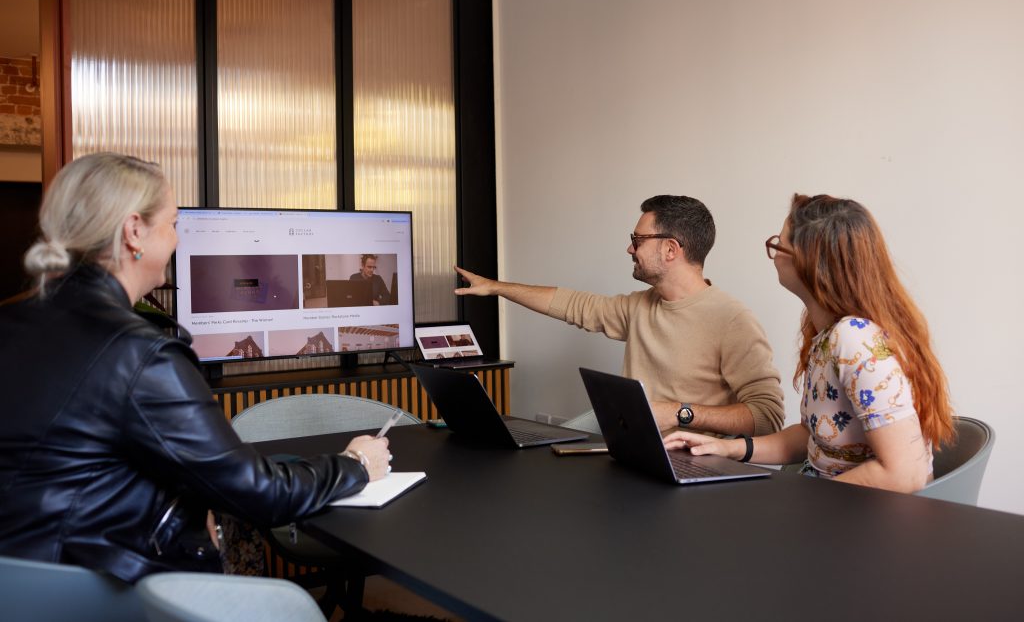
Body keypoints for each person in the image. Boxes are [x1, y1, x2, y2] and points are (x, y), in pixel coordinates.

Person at [0, 153, 391, 582]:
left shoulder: (14, 322)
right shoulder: (139, 351)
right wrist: (354, 464)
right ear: (134, 231)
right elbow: (260, 493)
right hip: (100, 593)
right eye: (173, 224)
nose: (177, 240)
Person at [665, 194, 955, 493]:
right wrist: (728, 449)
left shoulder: (855, 340)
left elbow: (903, 475)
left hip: (867, 519)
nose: (775, 254)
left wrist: (804, 507)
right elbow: (811, 436)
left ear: (809, 262)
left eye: (780, 245)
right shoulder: (828, 335)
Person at [455, 195, 785, 437]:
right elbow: (572, 304)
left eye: (637, 240)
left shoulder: (731, 320)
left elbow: (767, 416)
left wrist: (679, 414)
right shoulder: (640, 306)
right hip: (630, 447)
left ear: (671, 249)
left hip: (689, 467)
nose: (630, 249)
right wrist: (495, 287)